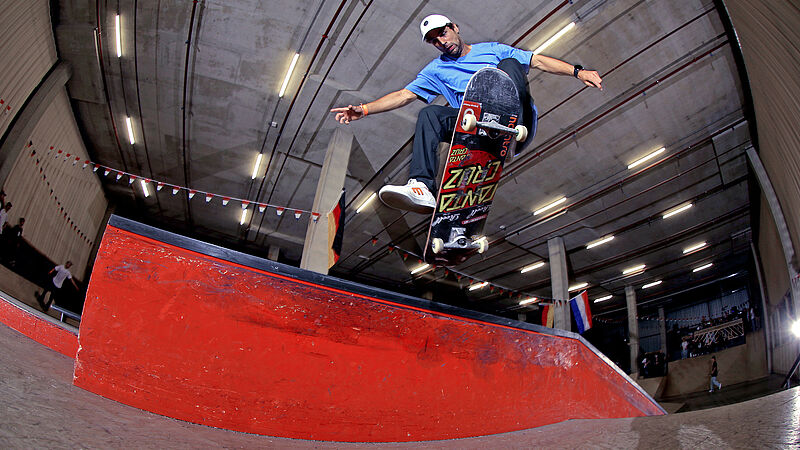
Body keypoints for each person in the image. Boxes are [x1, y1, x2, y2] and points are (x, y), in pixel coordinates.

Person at [331, 14, 603, 213]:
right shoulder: (436, 70)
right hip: (475, 125)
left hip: (516, 122)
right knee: (429, 115)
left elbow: (538, 61)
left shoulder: (492, 50)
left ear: (455, 28)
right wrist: (364, 110)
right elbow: (404, 95)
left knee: (510, 63)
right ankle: (422, 186)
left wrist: (578, 72)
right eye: (434, 40)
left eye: (443, 33)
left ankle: (508, 130)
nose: (442, 42)